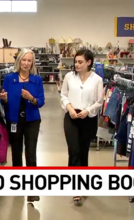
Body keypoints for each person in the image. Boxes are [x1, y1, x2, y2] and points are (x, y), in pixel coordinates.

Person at [0, 48, 45, 202]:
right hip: (14, 120)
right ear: (19, 61)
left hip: (32, 121)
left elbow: (41, 101)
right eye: (23, 60)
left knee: (31, 153)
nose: (26, 63)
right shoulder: (9, 78)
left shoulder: (36, 79)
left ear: (32, 63)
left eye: (29, 60)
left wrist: (31, 98)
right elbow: (4, 102)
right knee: (16, 152)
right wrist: (3, 99)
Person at [60, 49, 104, 206]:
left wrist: (88, 111)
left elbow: (99, 101)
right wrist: (70, 108)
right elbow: (63, 95)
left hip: (87, 119)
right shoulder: (69, 77)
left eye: (80, 62)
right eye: (76, 62)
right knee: (74, 150)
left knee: (83, 151)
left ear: (89, 62)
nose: (76, 65)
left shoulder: (97, 80)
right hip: (71, 117)